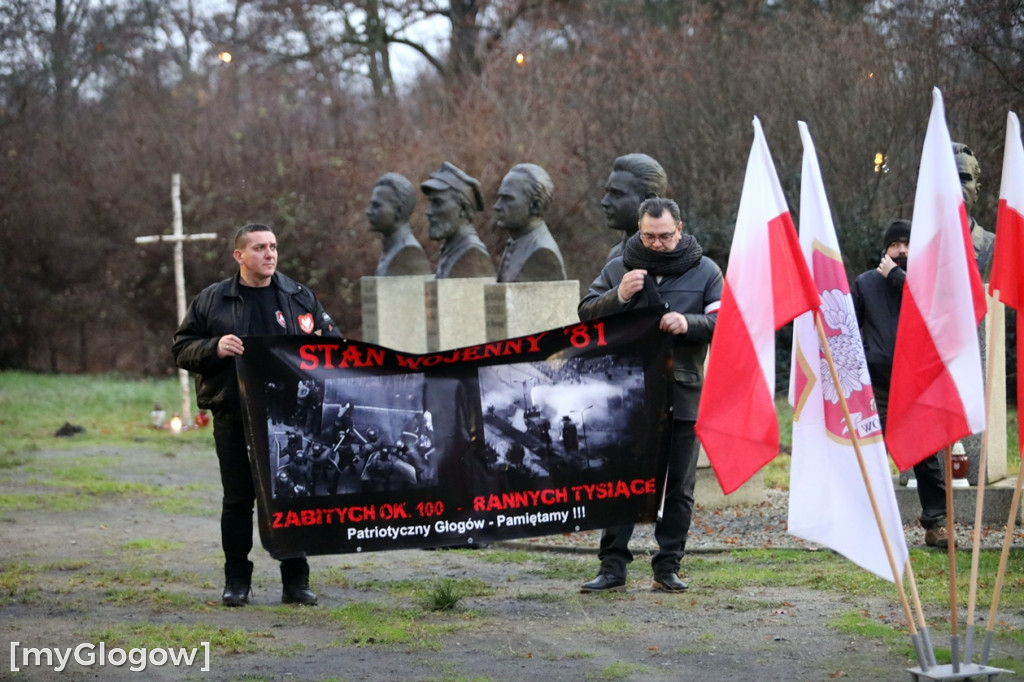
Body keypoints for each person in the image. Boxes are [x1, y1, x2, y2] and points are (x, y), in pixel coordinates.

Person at [172, 223, 341, 606]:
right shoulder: (213, 300)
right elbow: (181, 349)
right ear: (240, 256)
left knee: (291, 497)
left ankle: (296, 581)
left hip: (290, 420)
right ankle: (237, 581)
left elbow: (334, 346)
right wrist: (214, 347)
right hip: (234, 415)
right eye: (260, 248)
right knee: (237, 500)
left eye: (274, 247)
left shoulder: (299, 297)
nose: (270, 255)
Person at [578, 197, 722, 593]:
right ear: (639, 231)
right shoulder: (619, 267)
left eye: (664, 236)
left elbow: (724, 322)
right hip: (627, 396)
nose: (656, 244)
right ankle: (612, 567)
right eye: (648, 236)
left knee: (680, 486)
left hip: (684, 394)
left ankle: (667, 567)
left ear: (680, 229)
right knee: (622, 481)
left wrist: (687, 322)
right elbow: (586, 314)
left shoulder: (705, 270)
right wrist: (620, 295)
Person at [851, 219, 949, 548]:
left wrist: (897, 278)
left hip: (914, 384)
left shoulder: (923, 284)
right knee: (869, 456)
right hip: (875, 385)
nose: (902, 250)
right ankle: (863, 526)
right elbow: (849, 330)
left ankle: (936, 523)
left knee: (925, 455)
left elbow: (931, 314)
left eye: (907, 243)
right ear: (885, 249)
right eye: (895, 244)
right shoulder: (864, 283)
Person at [493, 163, 567, 282]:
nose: (497, 206)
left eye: (507, 198)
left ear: (535, 205)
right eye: (499, 198)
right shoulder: (515, 244)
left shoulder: (543, 253)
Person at [420, 161, 495, 279]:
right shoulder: (451, 249)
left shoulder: (472, 253)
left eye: (437, 203)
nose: (428, 211)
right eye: (430, 202)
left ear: (463, 208)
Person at [601, 154, 668, 262]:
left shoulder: (670, 256)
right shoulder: (615, 254)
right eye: (608, 192)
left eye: (617, 194)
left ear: (649, 200)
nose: (604, 202)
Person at [366, 172, 432, 276]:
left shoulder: (409, 252)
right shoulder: (391, 248)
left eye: (377, 206)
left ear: (399, 211)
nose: (368, 211)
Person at [952, 142, 995, 279]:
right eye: (947, 178)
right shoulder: (912, 246)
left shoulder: (996, 249)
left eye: (963, 178)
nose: (954, 187)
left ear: (976, 191)